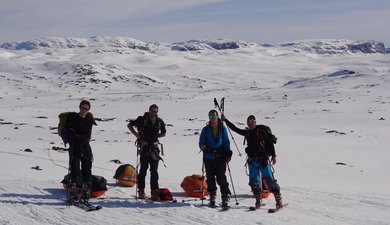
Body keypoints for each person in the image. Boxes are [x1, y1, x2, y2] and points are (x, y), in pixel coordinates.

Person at [222, 114, 283, 209]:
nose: (251, 123)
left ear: (255, 122)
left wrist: (274, 155)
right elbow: (235, 129)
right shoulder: (247, 133)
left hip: (263, 159)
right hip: (252, 160)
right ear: (247, 123)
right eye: (249, 121)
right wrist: (225, 120)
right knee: (254, 181)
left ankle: (278, 201)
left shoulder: (262, 132)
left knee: (269, 180)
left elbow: (270, 143)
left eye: (252, 121)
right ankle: (258, 201)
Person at [127, 104, 166, 201]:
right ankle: (141, 191)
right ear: (149, 110)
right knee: (143, 170)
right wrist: (137, 135)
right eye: (153, 111)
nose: (154, 113)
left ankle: (154, 192)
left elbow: (164, 133)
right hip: (144, 147)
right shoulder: (142, 119)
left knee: (154, 171)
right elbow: (129, 125)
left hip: (154, 147)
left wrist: (156, 137)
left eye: (156, 111)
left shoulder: (159, 121)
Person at [199, 110, 232, 208]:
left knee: (221, 177)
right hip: (208, 157)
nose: (212, 118)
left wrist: (227, 154)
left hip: (220, 157)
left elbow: (226, 142)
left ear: (217, 117)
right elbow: (201, 142)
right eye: (211, 117)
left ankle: (225, 196)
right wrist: (202, 146)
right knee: (210, 178)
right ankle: (212, 195)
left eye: (214, 116)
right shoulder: (205, 129)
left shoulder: (222, 129)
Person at [66, 100, 97, 202]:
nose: (84, 110)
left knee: (87, 169)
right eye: (83, 108)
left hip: (85, 147)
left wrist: (78, 136)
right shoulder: (73, 118)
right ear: (79, 107)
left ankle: (85, 192)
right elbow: (70, 133)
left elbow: (88, 135)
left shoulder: (89, 119)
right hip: (75, 147)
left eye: (86, 109)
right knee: (74, 168)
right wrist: (76, 137)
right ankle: (73, 192)